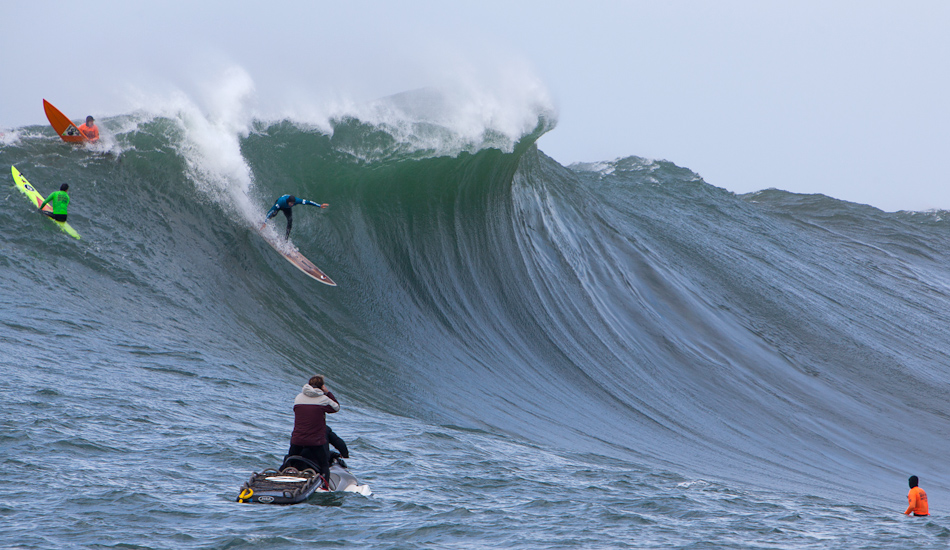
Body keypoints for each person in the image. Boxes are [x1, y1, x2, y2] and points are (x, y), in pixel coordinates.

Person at [286, 375, 339, 488]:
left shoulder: (298, 397)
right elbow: (336, 407)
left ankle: (284, 477)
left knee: (290, 459)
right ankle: (325, 487)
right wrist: (327, 392)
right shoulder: (323, 399)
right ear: (322, 386)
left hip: (297, 439)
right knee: (324, 465)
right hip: (315, 441)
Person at [262, 194, 328, 239]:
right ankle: (264, 224)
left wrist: (319, 205)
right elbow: (271, 210)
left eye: (293, 203)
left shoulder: (296, 201)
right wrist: (265, 222)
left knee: (290, 221)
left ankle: (286, 239)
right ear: (288, 202)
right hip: (281, 205)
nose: (292, 204)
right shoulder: (280, 202)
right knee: (274, 213)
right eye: (291, 203)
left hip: (287, 208)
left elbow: (308, 202)